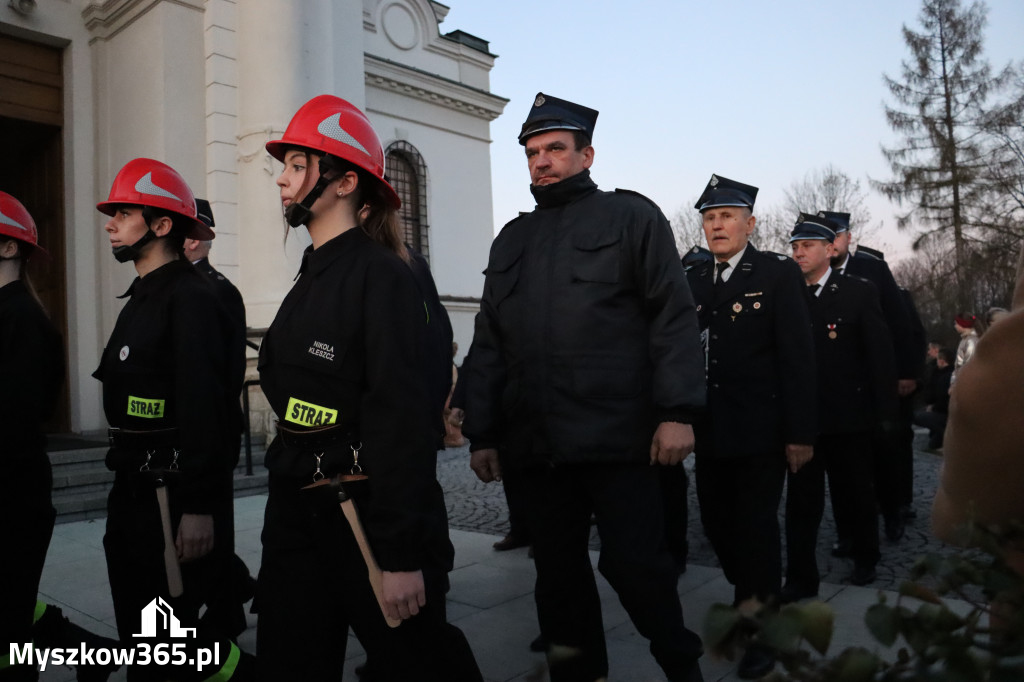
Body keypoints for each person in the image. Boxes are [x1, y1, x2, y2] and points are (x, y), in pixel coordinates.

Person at [463, 92, 706, 682]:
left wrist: (677, 411)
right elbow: (490, 341)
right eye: (531, 152)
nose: (541, 161)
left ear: (587, 154)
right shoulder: (511, 240)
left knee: (638, 569)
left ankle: (682, 666)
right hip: (537, 445)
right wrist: (482, 430)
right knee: (558, 579)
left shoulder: (632, 217)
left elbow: (672, 317)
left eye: (554, 149)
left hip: (619, 440)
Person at [256, 94, 480, 681]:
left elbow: (402, 419)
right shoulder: (312, 271)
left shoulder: (383, 276)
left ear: (345, 180)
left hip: (364, 516)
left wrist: (402, 556)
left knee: (416, 664)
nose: (282, 178)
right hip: (298, 519)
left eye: (298, 164)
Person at [93, 158, 253, 681]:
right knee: (140, 639)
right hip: (134, 492)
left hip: (173, 498)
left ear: (163, 225)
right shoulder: (141, 296)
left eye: (124, 211)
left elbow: (207, 406)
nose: (111, 222)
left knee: (170, 648)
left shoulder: (194, 298)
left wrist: (202, 506)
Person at [686, 174, 816, 680]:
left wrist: (801, 432)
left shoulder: (776, 274)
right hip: (710, 430)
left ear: (750, 224)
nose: (716, 226)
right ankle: (752, 596)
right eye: (710, 218)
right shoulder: (695, 278)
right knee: (718, 526)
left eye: (726, 217)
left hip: (762, 429)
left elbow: (798, 358)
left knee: (757, 530)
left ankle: (762, 628)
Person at [0, 192, 121, 682]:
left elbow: (16, 419)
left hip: (11, 496)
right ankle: (86, 653)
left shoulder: (23, 321)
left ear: (9, 248)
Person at [783, 213, 897, 601]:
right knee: (802, 504)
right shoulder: (787, 294)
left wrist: (885, 414)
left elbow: (879, 358)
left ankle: (866, 556)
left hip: (849, 418)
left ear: (830, 250)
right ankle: (799, 575)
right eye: (795, 246)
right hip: (803, 422)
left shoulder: (858, 292)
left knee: (856, 495)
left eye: (808, 246)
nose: (799, 253)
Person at [183, 199, 256, 641]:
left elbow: (220, 373)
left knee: (215, 525)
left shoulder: (214, 288)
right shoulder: (189, 285)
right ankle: (235, 591)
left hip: (216, 426)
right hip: (207, 427)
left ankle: (228, 605)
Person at [827, 212, 919, 544]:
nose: (832, 242)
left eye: (836, 234)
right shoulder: (810, 273)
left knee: (885, 453)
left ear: (848, 238)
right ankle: (851, 532)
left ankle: (893, 512)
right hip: (840, 385)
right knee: (847, 467)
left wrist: (906, 372)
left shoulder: (871, 269)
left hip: (875, 380)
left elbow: (900, 321)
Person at [913, 347, 952, 450]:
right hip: (940, 409)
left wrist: (933, 407)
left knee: (917, 416)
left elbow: (941, 399)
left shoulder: (945, 376)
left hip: (943, 412)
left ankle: (943, 434)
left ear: (942, 361)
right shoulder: (939, 372)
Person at [951, 312, 983, 385]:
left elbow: (968, 366)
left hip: (967, 383)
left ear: (963, 324)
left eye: (956, 323)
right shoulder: (965, 340)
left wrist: (957, 384)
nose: (955, 326)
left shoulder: (971, 341)